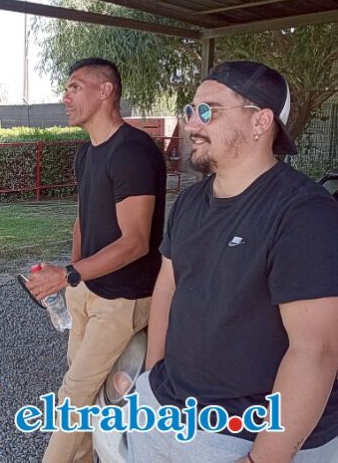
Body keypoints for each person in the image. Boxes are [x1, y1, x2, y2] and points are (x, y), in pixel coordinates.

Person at [133, 61, 338, 462]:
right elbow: (168, 286)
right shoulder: (191, 200)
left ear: (261, 122)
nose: (192, 123)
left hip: (244, 436)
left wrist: (261, 459)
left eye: (209, 110)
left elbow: (315, 352)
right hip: (163, 411)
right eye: (191, 110)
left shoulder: (304, 213)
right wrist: (153, 377)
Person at [27, 57, 167, 462]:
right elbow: (83, 219)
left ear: (105, 91)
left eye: (74, 86)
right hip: (88, 291)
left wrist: (70, 273)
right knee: (86, 393)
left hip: (123, 299)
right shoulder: (86, 154)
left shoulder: (133, 150)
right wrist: (73, 281)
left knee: (73, 394)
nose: (64, 96)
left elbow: (136, 242)